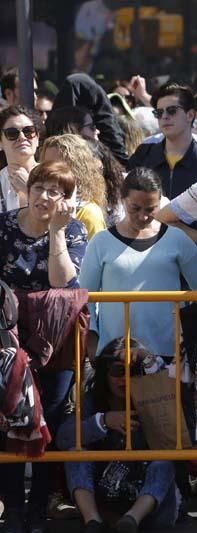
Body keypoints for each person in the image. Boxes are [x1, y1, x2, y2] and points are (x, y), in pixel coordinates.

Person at [0, 159, 88, 533]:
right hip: (10, 339)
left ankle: (38, 511)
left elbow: (61, 281)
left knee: (48, 421)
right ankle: (14, 511)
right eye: (39, 187)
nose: (45, 196)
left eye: (56, 191)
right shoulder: (4, 225)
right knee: (12, 421)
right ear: (28, 189)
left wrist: (55, 232)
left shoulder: (75, 230)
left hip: (57, 340)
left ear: (66, 200)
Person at [78, 167, 197, 361]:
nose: (143, 216)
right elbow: (85, 299)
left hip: (168, 355)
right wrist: (94, 348)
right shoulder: (100, 242)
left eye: (150, 209)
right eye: (135, 208)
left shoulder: (177, 238)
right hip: (115, 357)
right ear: (122, 200)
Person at [56, 338, 180, 533]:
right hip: (103, 501)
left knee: (165, 460)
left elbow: (179, 431)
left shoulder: (155, 400)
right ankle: (92, 523)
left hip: (149, 504)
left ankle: (131, 520)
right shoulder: (92, 401)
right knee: (75, 452)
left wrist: (147, 358)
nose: (125, 379)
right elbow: (63, 438)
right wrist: (103, 421)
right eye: (117, 371)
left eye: (132, 371)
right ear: (105, 374)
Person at [128, 82, 197, 199]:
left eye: (172, 110)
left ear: (190, 115)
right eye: (159, 113)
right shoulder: (144, 155)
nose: (164, 116)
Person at [40, 134, 108, 239]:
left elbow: (97, 254)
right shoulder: (41, 203)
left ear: (77, 169)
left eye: (58, 165)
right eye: (46, 164)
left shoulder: (89, 214)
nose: (50, 170)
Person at [0, 105, 39, 212]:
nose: (22, 137)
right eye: (12, 133)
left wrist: (28, 190)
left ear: (37, 139)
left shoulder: (57, 177)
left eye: (28, 131)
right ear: (1, 142)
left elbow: (65, 224)